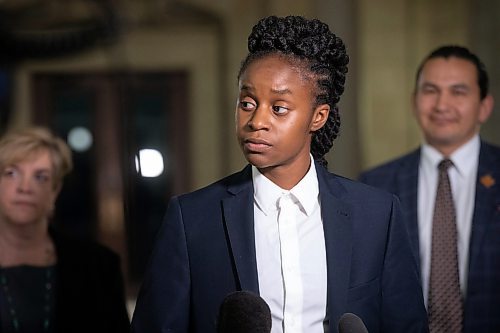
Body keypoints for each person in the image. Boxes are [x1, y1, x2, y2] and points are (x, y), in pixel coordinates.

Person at [131, 15, 428, 333]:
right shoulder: (191, 219)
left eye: (279, 108)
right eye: (247, 103)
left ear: (318, 117)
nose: (257, 120)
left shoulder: (377, 214)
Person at [359, 45, 499, 333]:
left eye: (458, 92)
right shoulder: (375, 185)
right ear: (414, 101)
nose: (441, 105)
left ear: (484, 106)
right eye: (430, 90)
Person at [0, 126, 130, 333]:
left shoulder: (98, 265)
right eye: (12, 173)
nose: (24, 187)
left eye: (40, 177)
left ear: (55, 190)